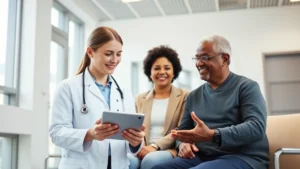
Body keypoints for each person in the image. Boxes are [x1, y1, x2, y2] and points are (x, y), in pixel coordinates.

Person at [152, 35, 269, 169]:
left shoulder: (247, 87)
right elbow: (182, 132)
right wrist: (183, 144)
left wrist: (213, 135)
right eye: (197, 58)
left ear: (225, 59)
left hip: (243, 157)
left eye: (205, 58)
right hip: (204, 157)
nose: (198, 63)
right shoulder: (193, 96)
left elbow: (256, 127)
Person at [49, 26, 145, 169]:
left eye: (119, 54)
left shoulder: (123, 91)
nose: (114, 60)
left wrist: (136, 141)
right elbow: (57, 133)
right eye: (108, 54)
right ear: (90, 52)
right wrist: (90, 134)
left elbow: (129, 143)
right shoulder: (67, 87)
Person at [128, 45, 189, 169]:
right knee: (127, 161)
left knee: (150, 161)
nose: (162, 72)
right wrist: (140, 148)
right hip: (142, 148)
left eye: (167, 68)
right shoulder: (140, 99)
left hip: (168, 149)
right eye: (156, 68)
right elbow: (134, 128)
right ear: (150, 73)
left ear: (174, 72)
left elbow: (181, 129)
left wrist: (154, 146)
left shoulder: (185, 96)